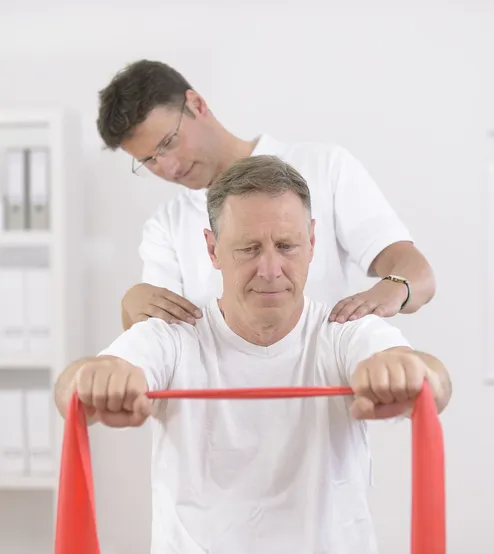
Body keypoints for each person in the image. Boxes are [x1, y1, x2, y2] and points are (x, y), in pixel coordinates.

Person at [54, 155, 451, 554]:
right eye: (248, 249)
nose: (270, 268)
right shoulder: (173, 336)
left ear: (311, 244)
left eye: (286, 246)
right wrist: (98, 377)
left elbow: (436, 384)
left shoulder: (344, 332)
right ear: (212, 250)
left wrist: (407, 371)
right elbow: (70, 389)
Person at [95, 59, 436, 331]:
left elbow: (416, 273)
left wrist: (395, 289)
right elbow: (150, 335)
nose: (167, 168)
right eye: (149, 160)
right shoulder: (166, 225)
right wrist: (131, 304)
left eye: (168, 143)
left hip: (320, 409)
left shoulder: (325, 168)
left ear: (197, 105)